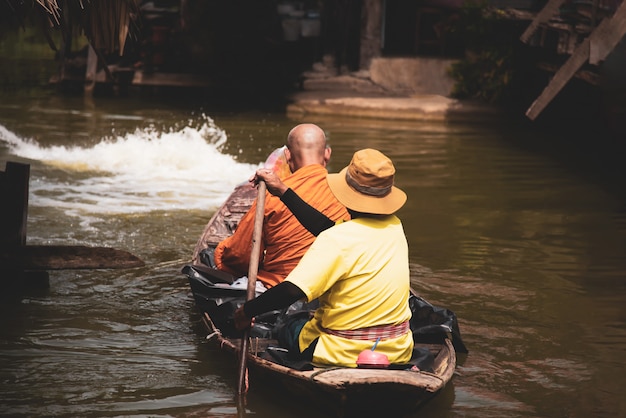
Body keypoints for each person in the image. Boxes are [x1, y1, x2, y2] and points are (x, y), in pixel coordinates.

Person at [234, 149, 414, 367]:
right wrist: (283, 191)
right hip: (399, 349)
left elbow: (292, 290)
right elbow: (326, 228)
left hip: (340, 351)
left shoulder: (336, 239)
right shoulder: (395, 226)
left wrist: (247, 311)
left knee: (287, 324)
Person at [213, 123, 350, 289]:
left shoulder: (272, 195)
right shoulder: (348, 195)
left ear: (287, 155)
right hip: (330, 287)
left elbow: (240, 256)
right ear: (327, 154)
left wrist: (220, 252)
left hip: (279, 286)